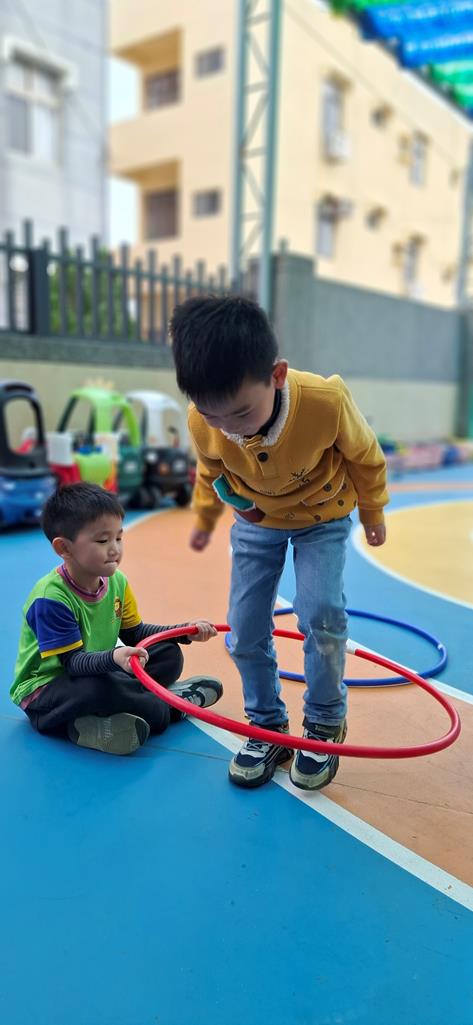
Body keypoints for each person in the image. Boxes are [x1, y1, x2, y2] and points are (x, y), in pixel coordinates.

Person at [170, 295, 388, 790]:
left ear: (277, 375)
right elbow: (212, 470)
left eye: (241, 413)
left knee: (321, 614)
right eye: (214, 416)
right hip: (256, 522)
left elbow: (367, 457)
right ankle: (266, 724)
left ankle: (325, 721)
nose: (230, 428)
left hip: (323, 516)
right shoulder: (203, 419)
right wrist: (213, 511)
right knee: (244, 629)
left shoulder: (325, 402)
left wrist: (373, 510)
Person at [11, 482, 223, 756]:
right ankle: (168, 707)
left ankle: (107, 714)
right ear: (64, 548)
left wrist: (181, 632)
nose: (115, 549)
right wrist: (113, 659)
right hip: (47, 690)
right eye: (102, 541)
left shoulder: (116, 581)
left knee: (167, 653)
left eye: (118, 538)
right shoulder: (51, 599)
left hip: (94, 670)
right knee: (104, 688)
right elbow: (73, 664)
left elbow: (136, 633)